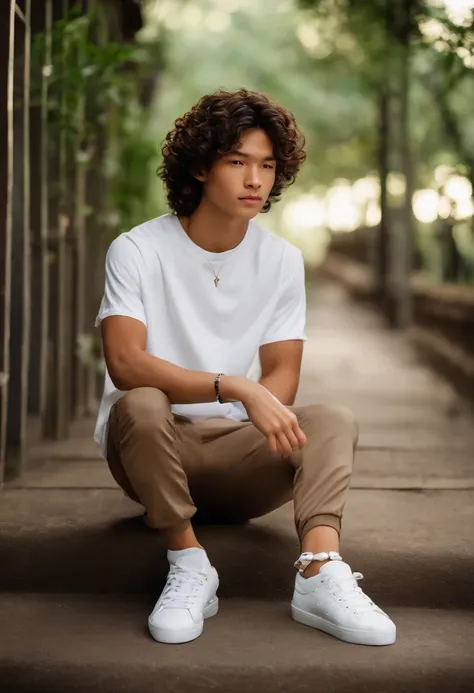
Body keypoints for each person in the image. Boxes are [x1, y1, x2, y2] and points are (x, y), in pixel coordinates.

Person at [94, 88, 396, 647]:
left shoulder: (281, 260)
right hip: (153, 451)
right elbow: (125, 362)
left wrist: (256, 404)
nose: (255, 179)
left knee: (333, 418)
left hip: (240, 453)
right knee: (141, 401)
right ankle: (189, 563)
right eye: (238, 162)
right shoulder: (136, 250)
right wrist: (231, 385)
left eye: (266, 165)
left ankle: (319, 569)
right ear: (203, 167)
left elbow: (282, 372)